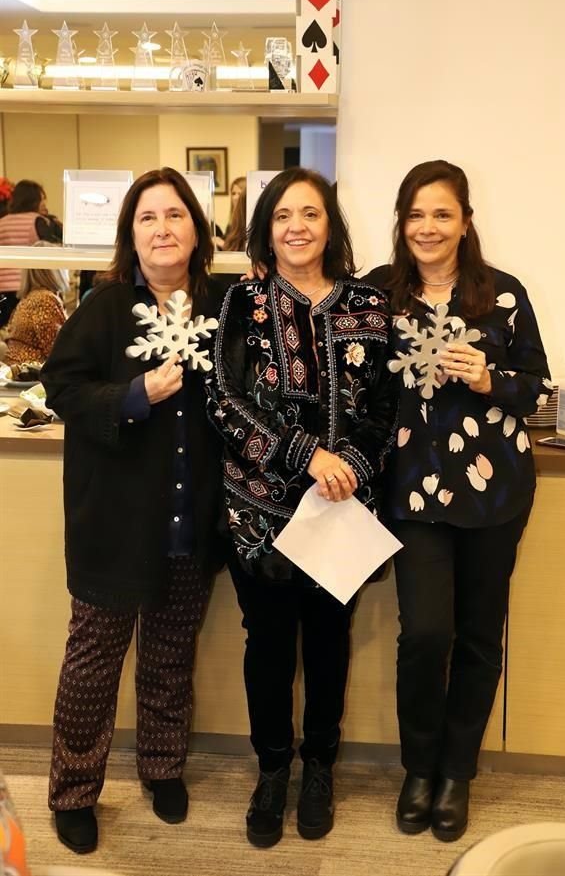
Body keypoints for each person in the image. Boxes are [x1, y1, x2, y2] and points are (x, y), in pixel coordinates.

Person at [206, 167, 397, 848]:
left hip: (341, 513)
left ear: (329, 225)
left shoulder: (372, 306)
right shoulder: (243, 300)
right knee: (266, 646)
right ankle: (273, 769)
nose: (297, 226)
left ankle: (319, 766)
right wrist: (303, 454)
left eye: (310, 213)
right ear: (267, 226)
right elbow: (224, 400)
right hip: (258, 512)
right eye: (284, 214)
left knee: (327, 642)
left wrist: (351, 464)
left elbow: (385, 409)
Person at [40, 167, 228, 855]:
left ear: (196, 231)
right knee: (93, 661)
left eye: (175, 215)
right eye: (147, 218)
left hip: (190, 520)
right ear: (130, 235)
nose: (162, 229)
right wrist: (132, 394)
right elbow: (62, 387)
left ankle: (161, 765)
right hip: (114, 522)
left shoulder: (220, 309)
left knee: (171, 655)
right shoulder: (106, 308)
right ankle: (73, 789)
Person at [365, 160, 551, 842]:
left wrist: (490, 379)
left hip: (494, 490)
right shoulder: (379, 296)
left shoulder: (502, 295)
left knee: (478, 635)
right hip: (411, 491)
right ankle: (419, 765)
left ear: (465, 221)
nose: (427, 227)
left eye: (441, 213)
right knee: (425, 634)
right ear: (401, 222)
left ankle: (456, 772)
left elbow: (536, 388)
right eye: (415, 214)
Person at [0, 179, 63, 327]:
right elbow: (50, 247)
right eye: (42, 199)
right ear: (34, 200)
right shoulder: (37, 221)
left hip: (2, 288)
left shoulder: (2, 222)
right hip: (27, 286)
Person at [3, 249, 68, 366]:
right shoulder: (45, 299)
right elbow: (58, 350)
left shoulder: (28, 298)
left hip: (17, 370)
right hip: (31, 375)